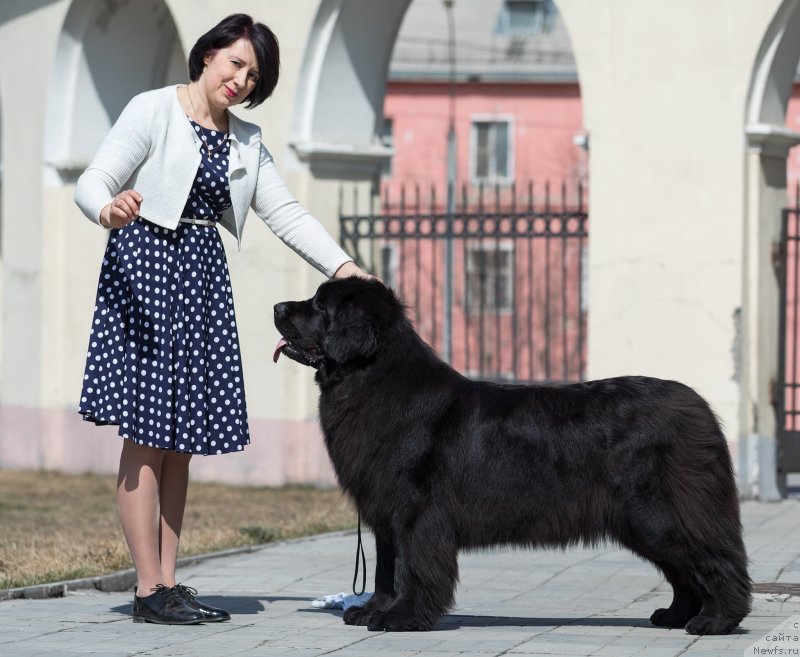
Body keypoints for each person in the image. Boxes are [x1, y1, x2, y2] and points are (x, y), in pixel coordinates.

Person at [74, 13, 369, 625]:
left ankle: (169, 584)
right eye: (234, 62)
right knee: (147, 437)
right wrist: (109, 208)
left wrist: (347, 270)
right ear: (207, 55)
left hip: (202, 280)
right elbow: (94, 179)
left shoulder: (245, 141)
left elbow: (285, 214)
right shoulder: (153, 109)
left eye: (253, 74)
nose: (240, 79)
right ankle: (146, 589)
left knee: (181, 445)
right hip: (146, 268)